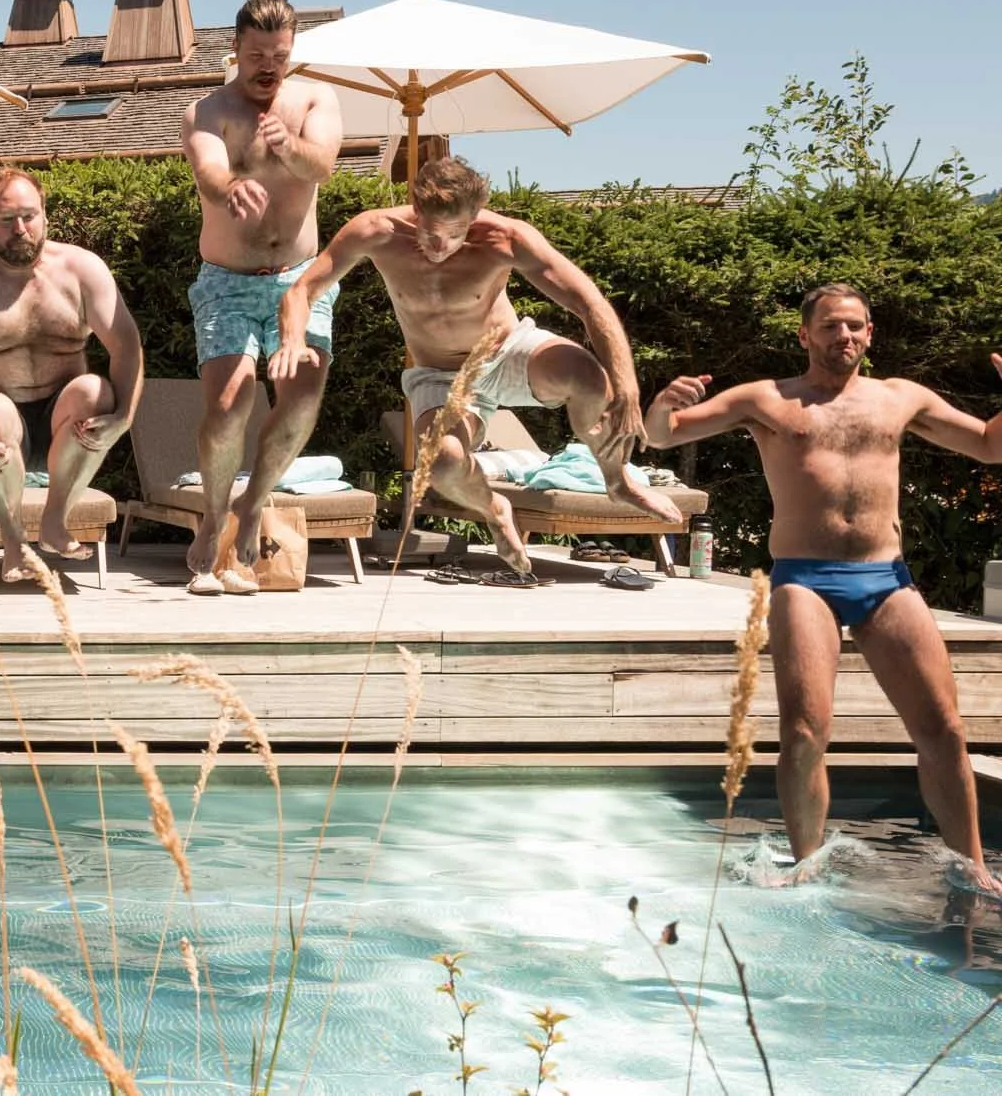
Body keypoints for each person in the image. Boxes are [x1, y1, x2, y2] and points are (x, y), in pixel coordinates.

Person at [644, 284, 999, 893]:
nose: (846, 337)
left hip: (887, 578)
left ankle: (973, 868)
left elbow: (990, 447)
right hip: (804, 579)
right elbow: (663, 435)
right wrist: (662, 403)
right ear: (805, 334)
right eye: (832, 327)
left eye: (856, 326)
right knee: (805, 730)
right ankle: (806, 863)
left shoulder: (900, 398)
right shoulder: (768, 399)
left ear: (871, 332)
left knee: (944, 728)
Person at [272, 155, 680, 581]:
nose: (440, 246)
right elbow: (302, 290)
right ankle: (494, 508)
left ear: (475, 216)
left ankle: (617, 480)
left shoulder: (506, 238)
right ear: (416, 208)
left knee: (589, 377)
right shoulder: (376, 231)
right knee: (443, 464)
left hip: (507, 350)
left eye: (455, 234)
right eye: (430, 233)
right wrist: (292, 339)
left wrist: (627, 387)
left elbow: (589, 303)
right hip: (440, 375)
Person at [179, 0, 344, 594]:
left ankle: (254, 504)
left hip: (301, 280)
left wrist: (288, 145)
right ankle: (214, 512)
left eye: (278, 54)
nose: (268, 66)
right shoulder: (207, 110)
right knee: (227, 405)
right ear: (235, 50)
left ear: (291, 49)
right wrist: (228, 190)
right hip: (227, 280)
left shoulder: (315, 100)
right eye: (256, 55)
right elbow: (208, 167)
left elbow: (323, 164)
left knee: (301, 398)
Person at [0, 167, 144, 580]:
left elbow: (126, 344)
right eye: (7, 220)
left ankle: (55, 521)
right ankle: (13, 543)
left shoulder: (81, 270)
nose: (20, 229)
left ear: (45, 215)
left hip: (63, 422)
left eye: (29, 216)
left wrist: (124, 419)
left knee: (95, 391)